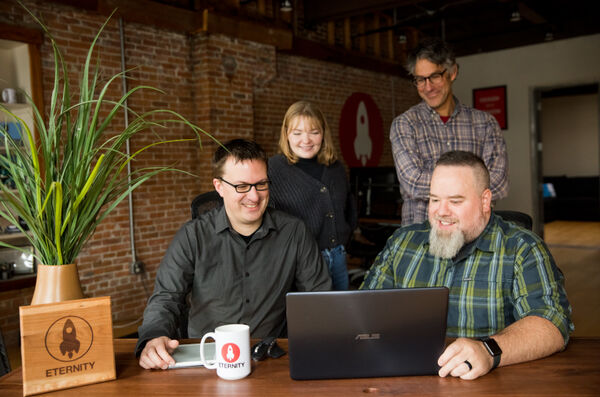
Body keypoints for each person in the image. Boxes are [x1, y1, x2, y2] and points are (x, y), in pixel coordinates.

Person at [361, 150, 572, 380]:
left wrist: (488, 350)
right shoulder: (403, 243)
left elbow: (551, 324)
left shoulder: (522, 248)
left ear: (485, 201)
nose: (441, 211)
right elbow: (364, 313)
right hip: (408, 380)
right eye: (434, 199)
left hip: (489, 384)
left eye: (455, 201)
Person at [137, 139, 332, 369]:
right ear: (219, 186)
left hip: (268, 359)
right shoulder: (193, 235)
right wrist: (153, 337)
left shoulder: (294, 232)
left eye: (261, 184)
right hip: (205, 361)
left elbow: (319, 297)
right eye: (242, 186)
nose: (254, 196)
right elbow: (166, 296)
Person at [390, 38, 509, 226]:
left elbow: (498, 183)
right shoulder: (405, 124)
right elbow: (413, 183)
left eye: (435, 76)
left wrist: (440, 188)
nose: (428, 87)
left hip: (475, 236)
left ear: (452, 72)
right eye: (420, 80)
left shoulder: (485, 124)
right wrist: (470, 185)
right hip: (423, 237)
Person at [268, 101, 357, 290]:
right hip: (302, 265)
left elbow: (349, 207)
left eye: (314, 132)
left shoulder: (336, 168)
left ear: (323, 134)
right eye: (297, 133)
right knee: (314, 318)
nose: (306, 140)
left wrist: (345, 238)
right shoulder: (273, 169)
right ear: (286, 135)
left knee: (342, 316)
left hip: (338, 258)